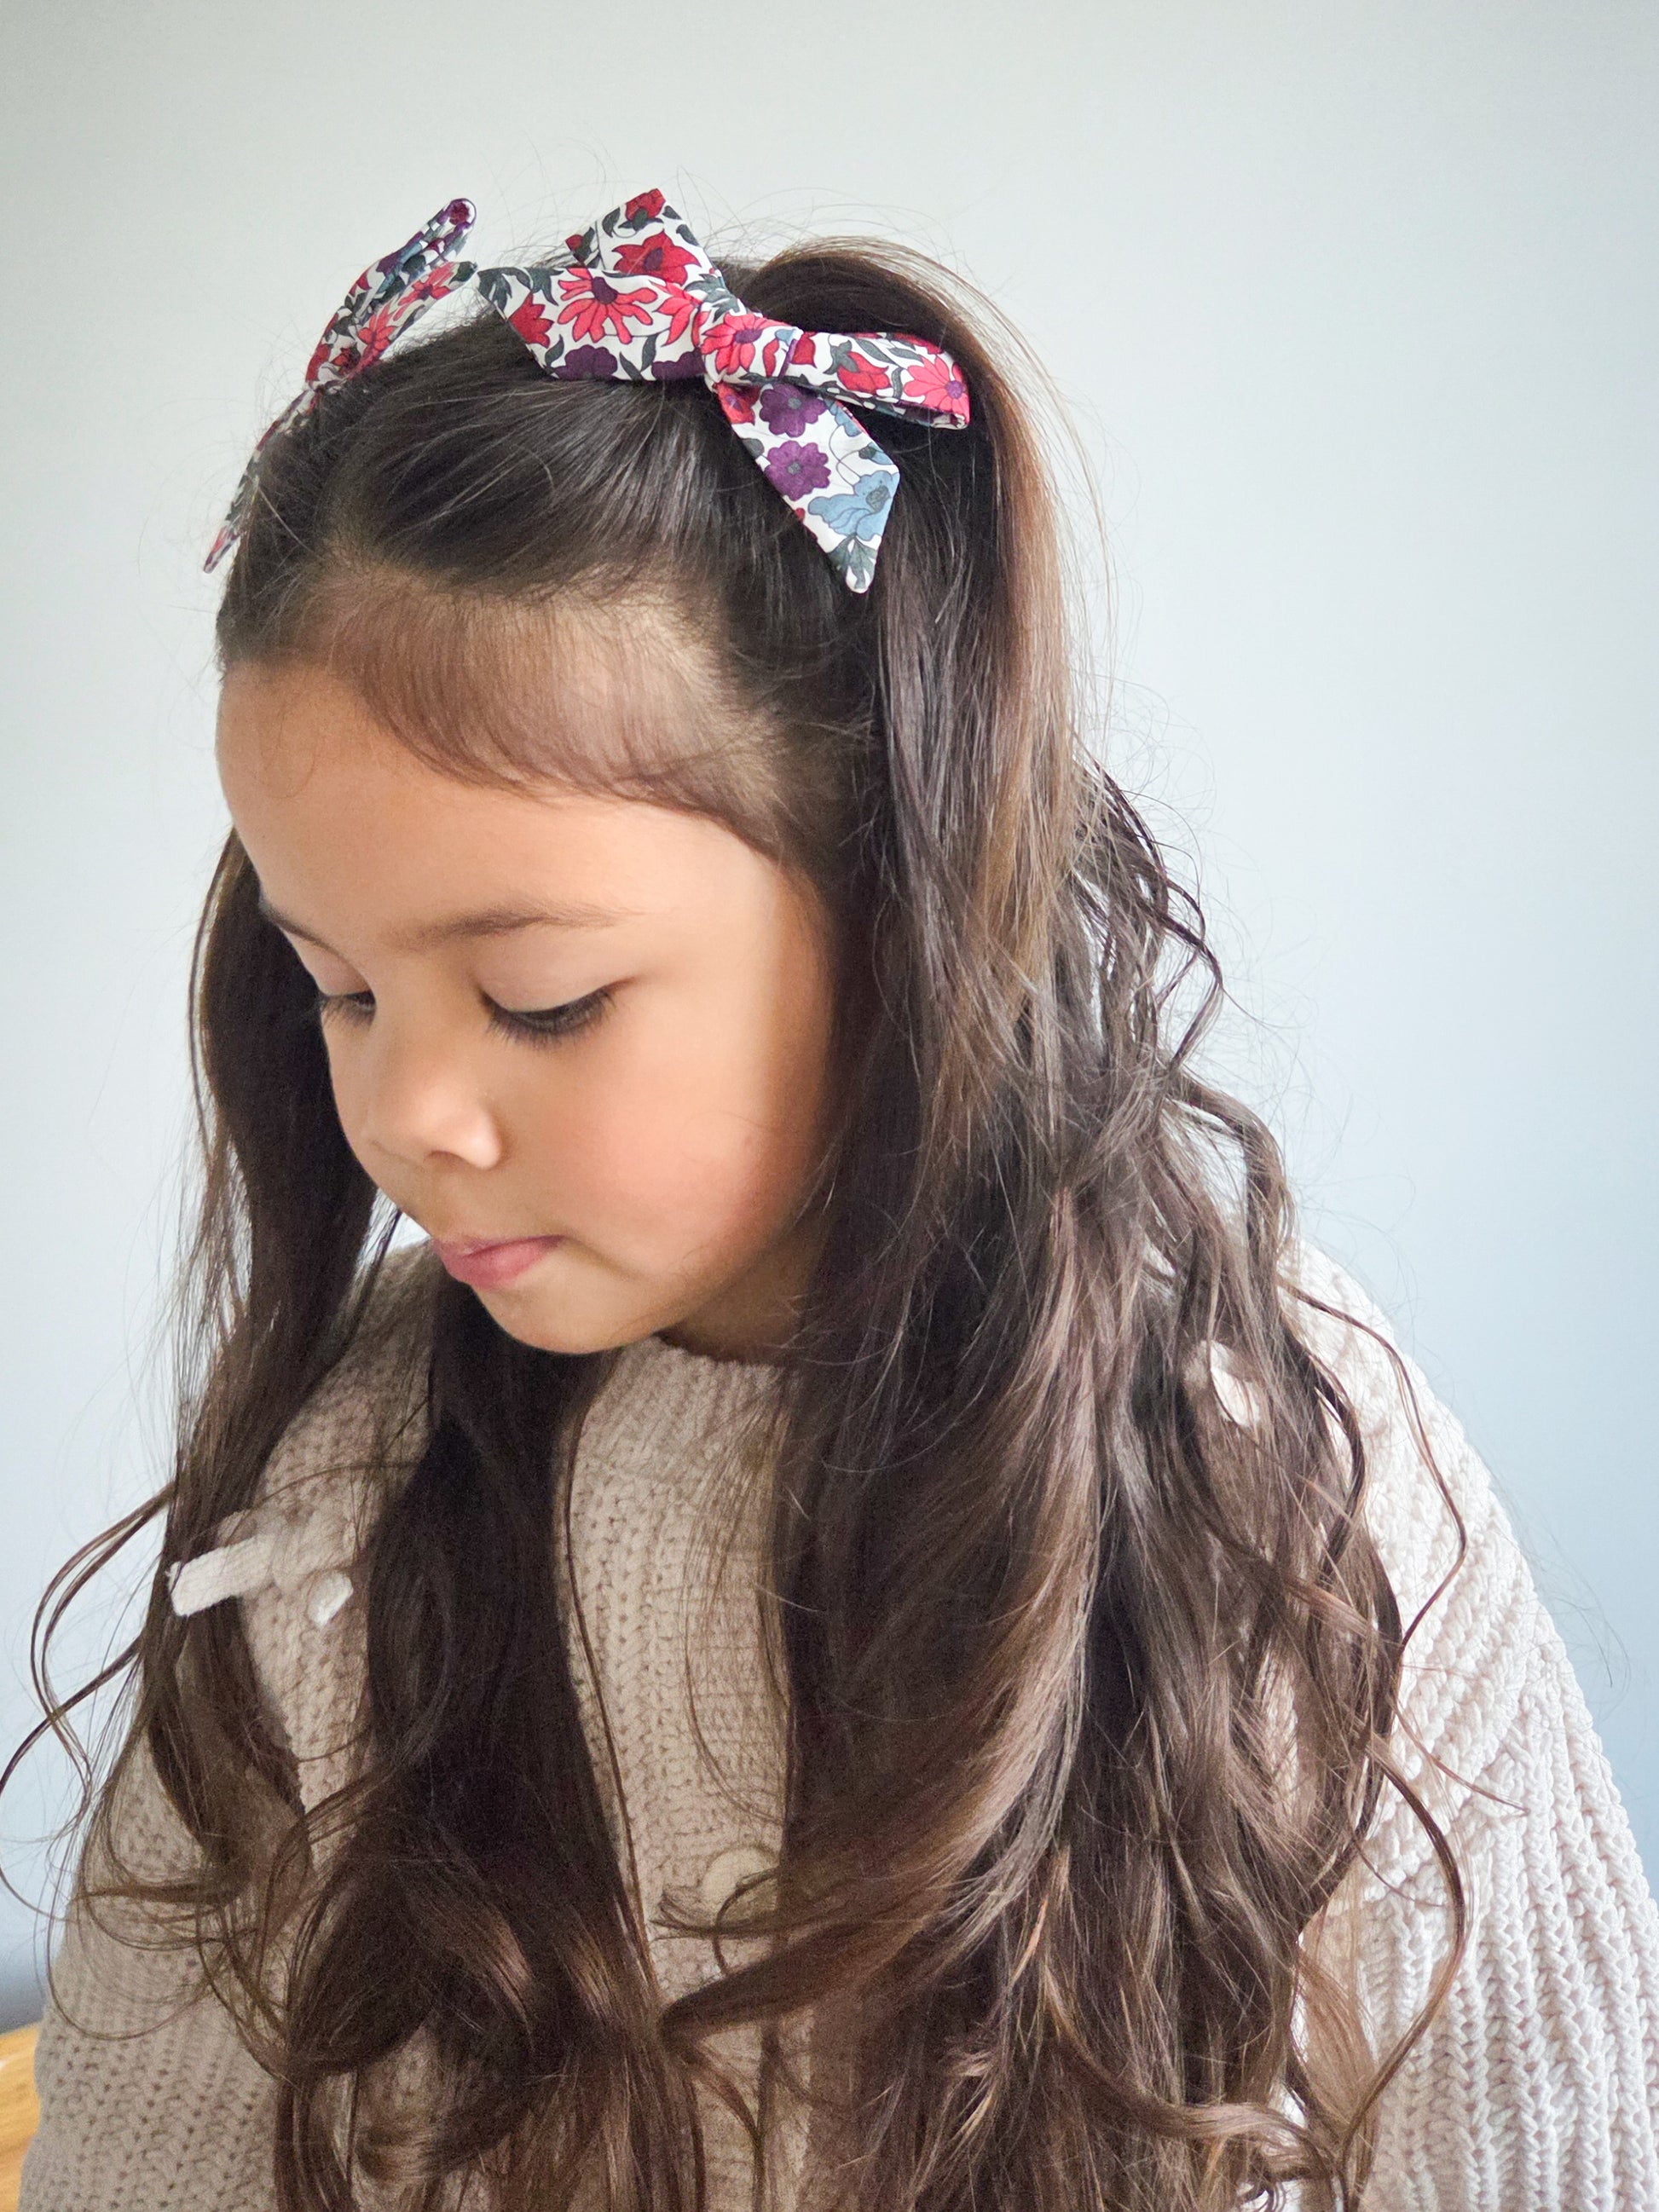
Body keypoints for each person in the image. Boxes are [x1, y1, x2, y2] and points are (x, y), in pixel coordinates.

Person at [11, 188, 1658, 2212]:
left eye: (542, 999)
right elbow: (144, 2149)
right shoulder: (350, 1485)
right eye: (336, 985)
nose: (407, 1111)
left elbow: (1539, 2131)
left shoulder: (1271, 1435)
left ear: (887, 903)